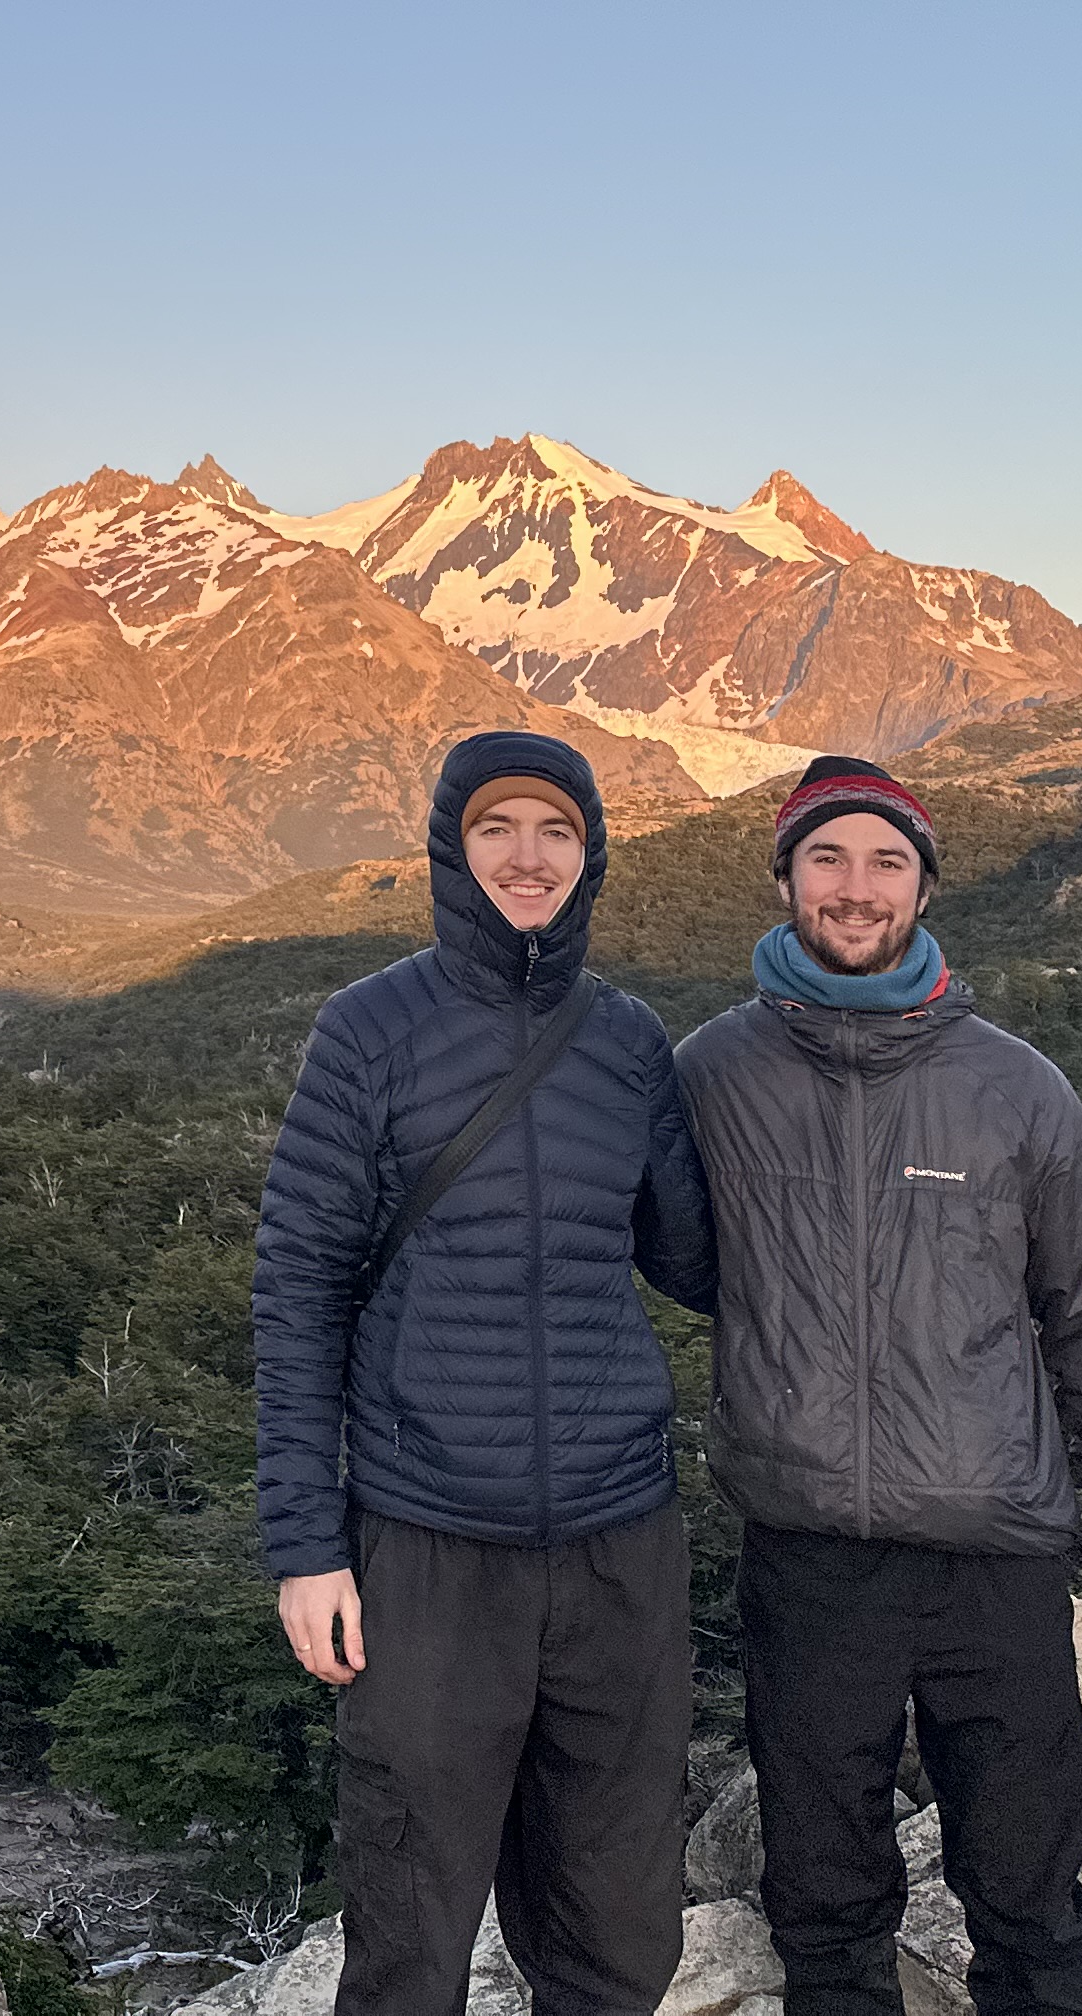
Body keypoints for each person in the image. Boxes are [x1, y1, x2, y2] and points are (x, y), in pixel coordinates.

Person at [675, 756, 1082, 2016]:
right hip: (809, 1550)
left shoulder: (1017, 1090)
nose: (856, 888)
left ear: (923, 886)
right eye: (827, 858)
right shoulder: (712, 1075)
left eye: (886, 861)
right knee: (822, 1899)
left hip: (996, 1555)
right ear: (786, 878)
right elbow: (661, 1253)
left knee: (1030, 1895)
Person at [252, 731, 719, 2016]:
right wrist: (307, 1546)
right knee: (411, 1921)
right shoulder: (369, 1031)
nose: (528, 855)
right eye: (498, 827)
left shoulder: (626, 1041)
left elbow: (698, 1262)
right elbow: (298, 1294)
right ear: (452, 850)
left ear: (591, 856)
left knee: (616, 1915)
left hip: (620, 1542)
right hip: (429, 1544)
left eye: (557, 831)